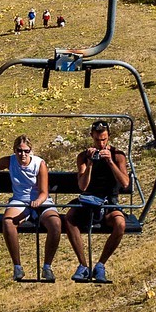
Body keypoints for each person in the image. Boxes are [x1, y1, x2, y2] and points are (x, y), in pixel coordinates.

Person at [0, 136, 61, 282]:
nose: (23, 154)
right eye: (19, 151)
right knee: (8, 221)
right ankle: (17, 267)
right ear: (14, 150)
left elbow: (44, 192)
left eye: (26, 151)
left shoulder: (39, 164)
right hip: (20, 200)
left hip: (41, 201)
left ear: (31, 151)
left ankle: (47, 267)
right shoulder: (10, 161)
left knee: (55, 223)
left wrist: (38, 201)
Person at [62, 120, 131, 283]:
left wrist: (110, 162)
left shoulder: (118, 156)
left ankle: (100, 264)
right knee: (69, 218)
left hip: (109, 202)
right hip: (88, 201)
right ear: (92, 137)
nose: (101, 144)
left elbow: (125, 183)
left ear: (108, 137)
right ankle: (83, 265)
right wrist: (90, 164)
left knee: (120, 224)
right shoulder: (83, 157)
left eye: (104, 140)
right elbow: (82, 186)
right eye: (97, 140)